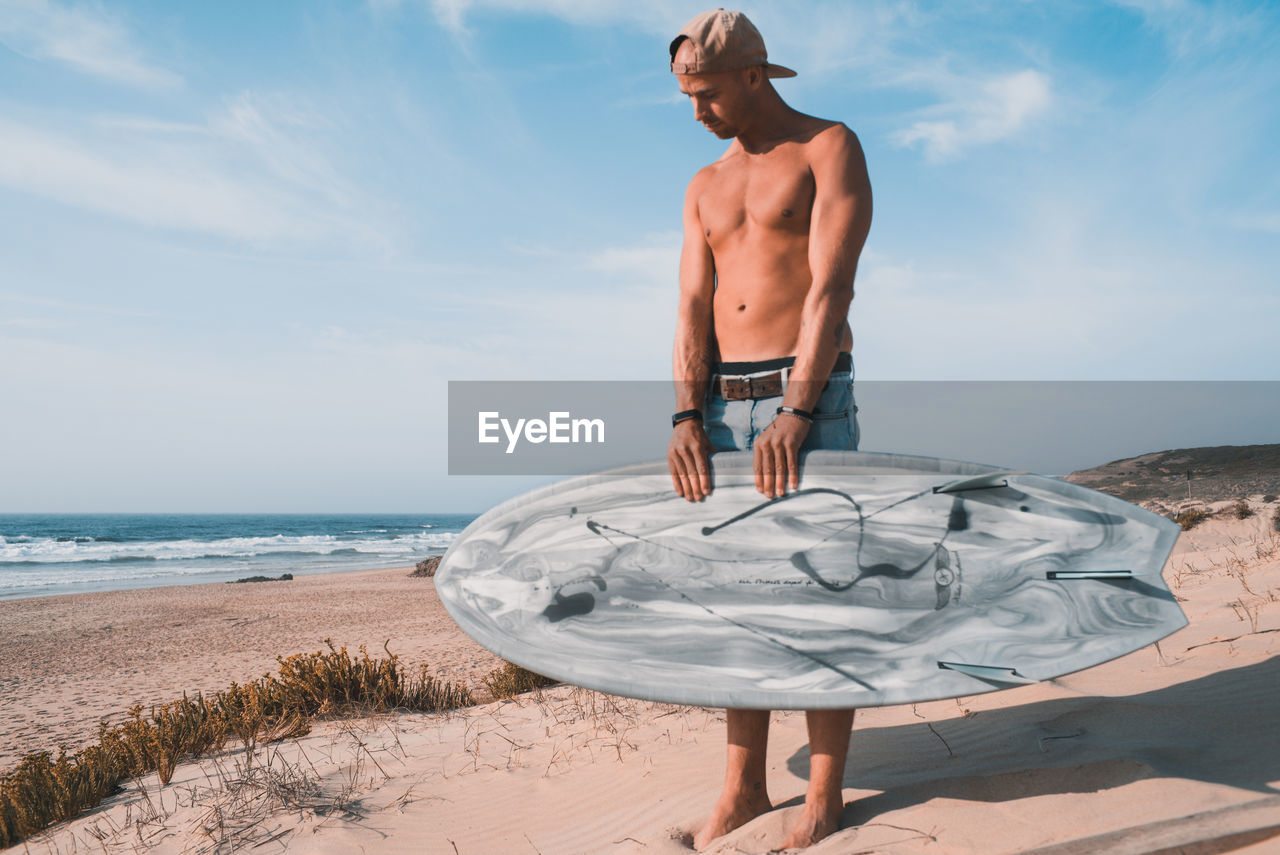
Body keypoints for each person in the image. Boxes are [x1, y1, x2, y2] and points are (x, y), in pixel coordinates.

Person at [663, 9, 873, 851]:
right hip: (719, 407)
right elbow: (688, 306)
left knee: (824, 597)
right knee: (734, 606)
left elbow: (832, 288)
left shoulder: (829, 147)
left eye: (706, 94)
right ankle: (744, 788)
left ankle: (823, 798)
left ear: (754, 76)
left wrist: (798, 406)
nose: (697, 112)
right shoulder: (703, 184)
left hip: (805, 397)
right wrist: (685, 411)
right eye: (686, 96)